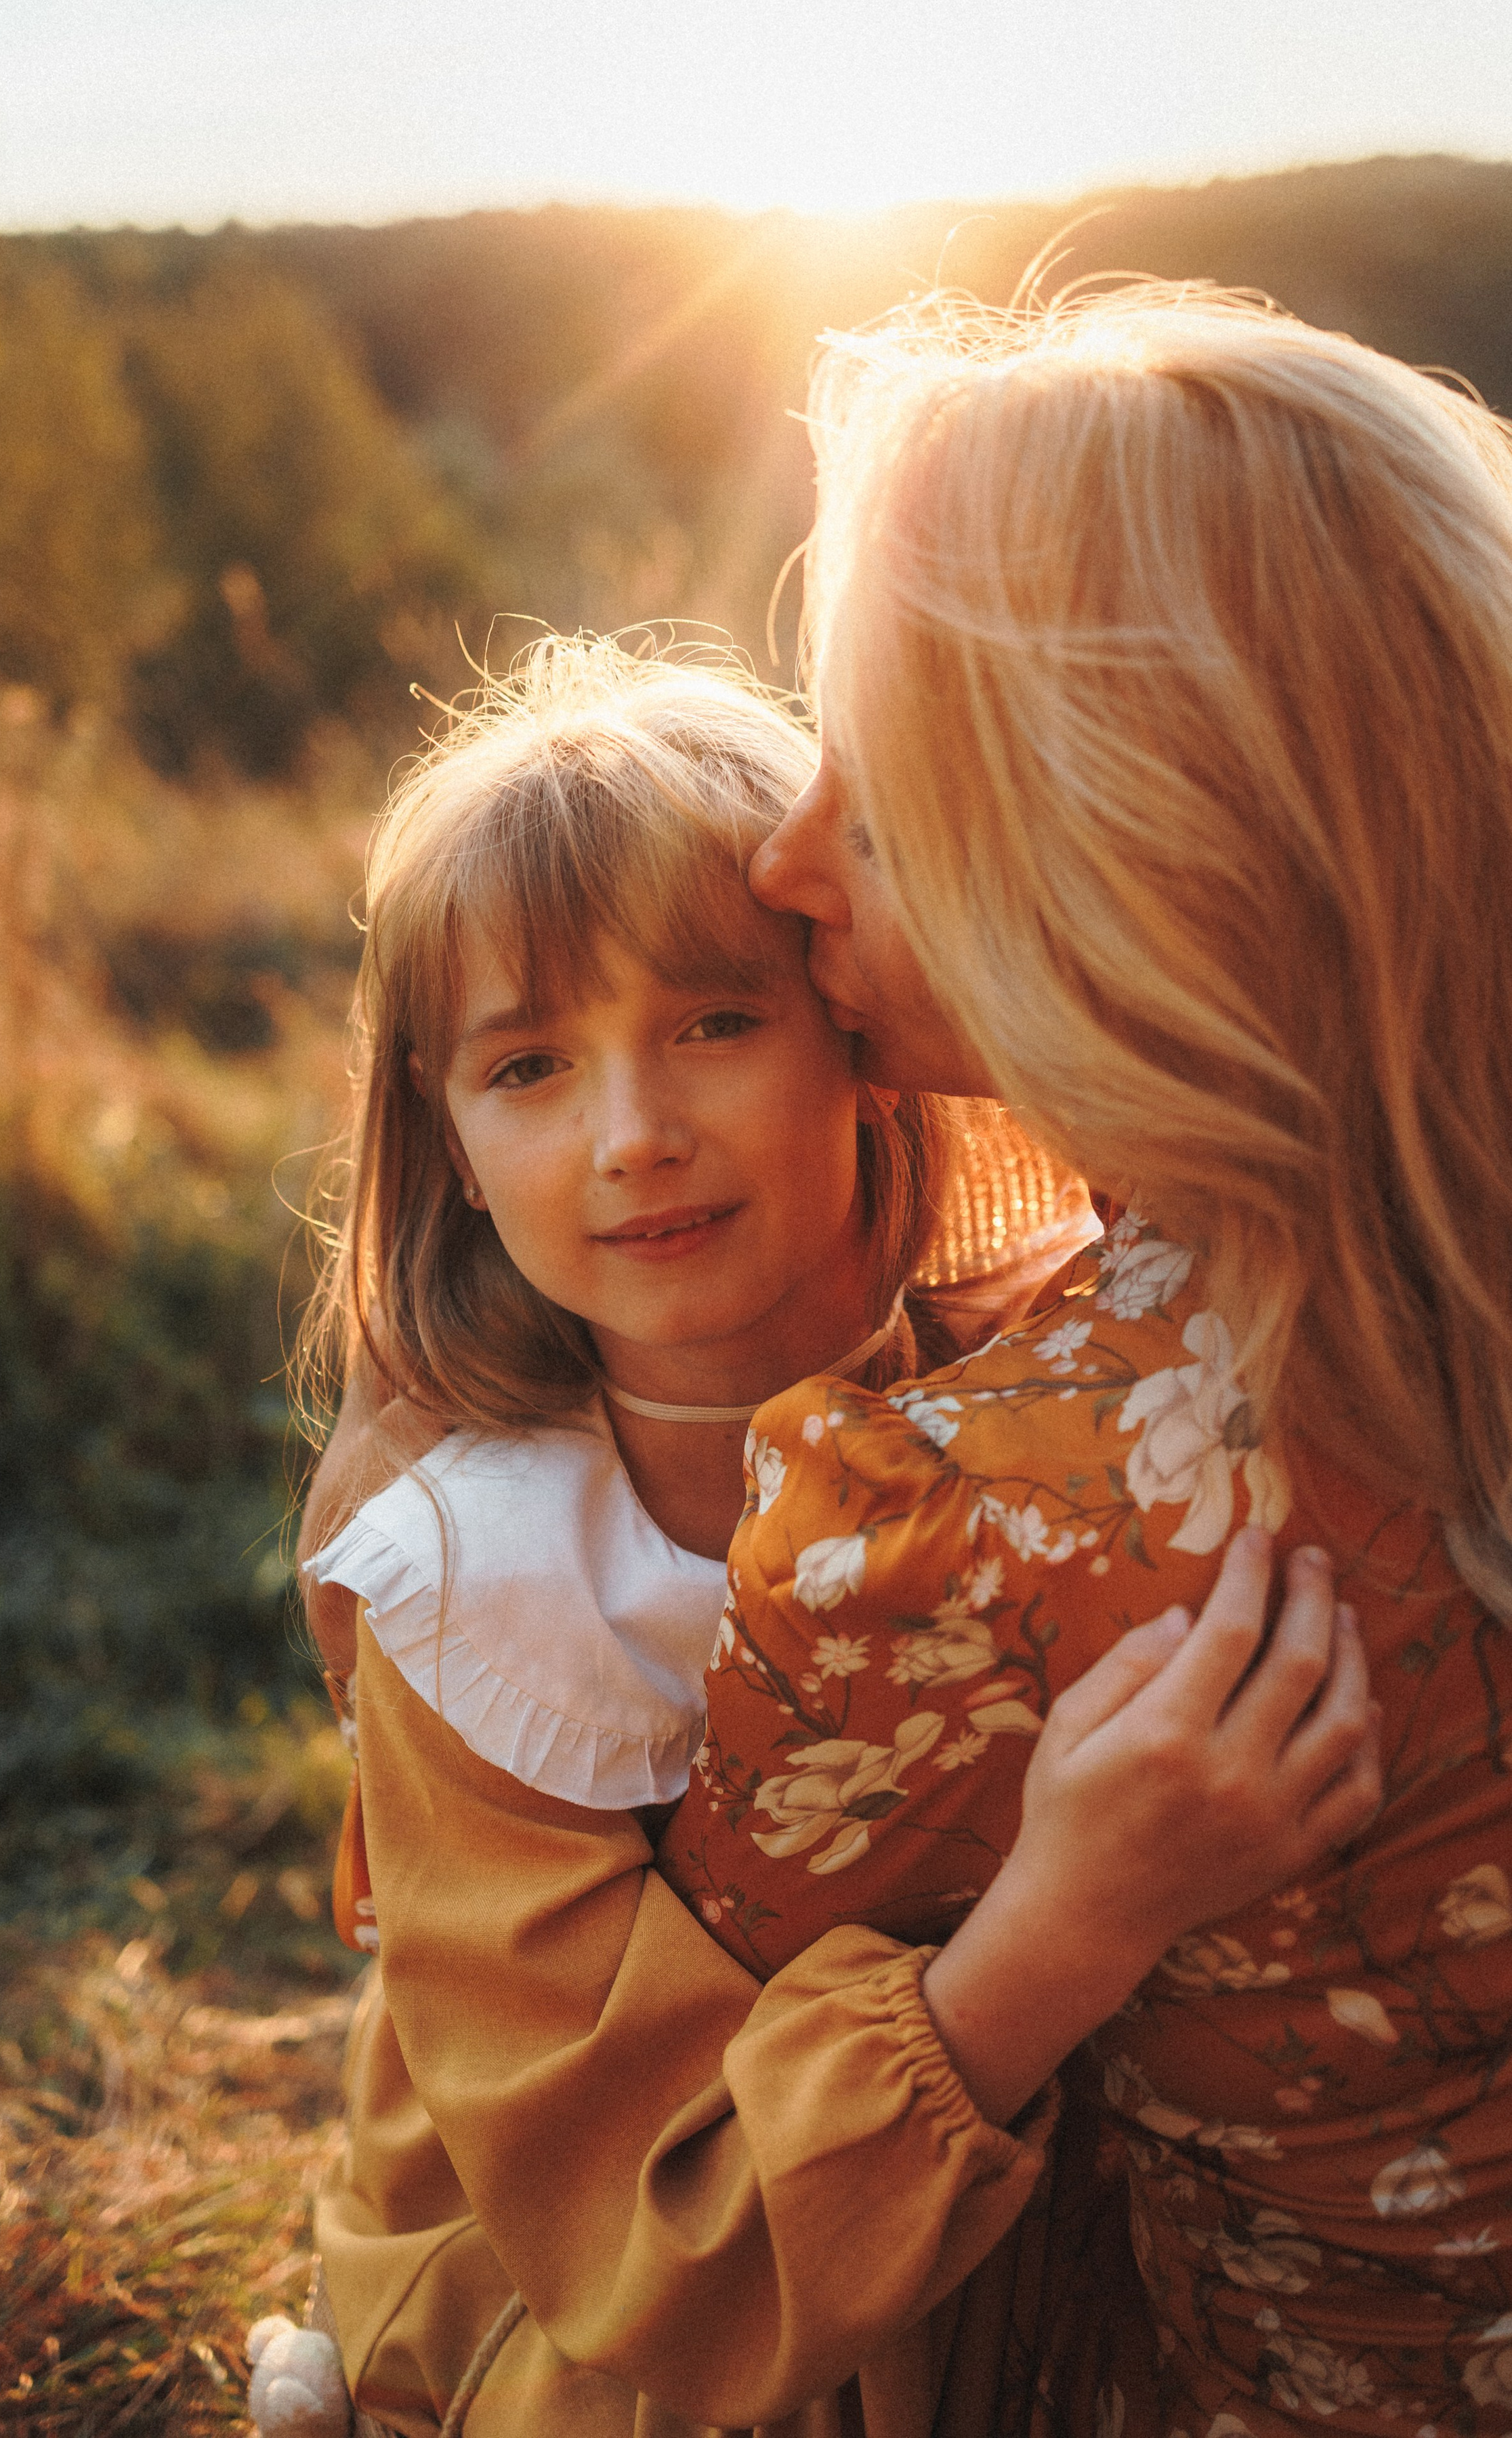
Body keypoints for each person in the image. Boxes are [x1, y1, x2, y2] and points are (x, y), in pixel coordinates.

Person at [277, 637, 1377, 2438]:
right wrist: (1072, 1918)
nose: (636, 1136)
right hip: (639, 2305)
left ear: (863, 1034)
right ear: (449, 1143)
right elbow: (644, 2244)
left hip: (1004, 2234)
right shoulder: (481, 1582)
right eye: (532, 1065)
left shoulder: (1053, 1379)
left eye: (715, 1022)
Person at [655, 284, 1512, 2435]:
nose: (784, 862)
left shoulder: (980, 1510)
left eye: (884, 793)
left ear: (1115, 849)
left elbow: (681, 2139)